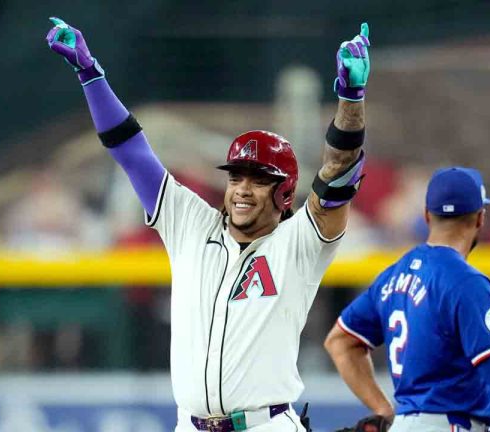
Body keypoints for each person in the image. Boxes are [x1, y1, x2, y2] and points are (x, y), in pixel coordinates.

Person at [46, 17, 371, 431]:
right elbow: (130, 150)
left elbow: (339, 173)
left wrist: (351, 98)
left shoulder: (300, 243)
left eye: (259, 179)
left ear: (285, 193)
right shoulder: (190, 224)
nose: (242, 189)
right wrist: (90, 74)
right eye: (236, 176)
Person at [324, 168, 490, 432]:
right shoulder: (467, 281)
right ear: (480, 218)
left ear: (427, 216)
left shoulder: (392, 276)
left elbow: (340, 342)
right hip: (448, 424)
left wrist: (382, 409)